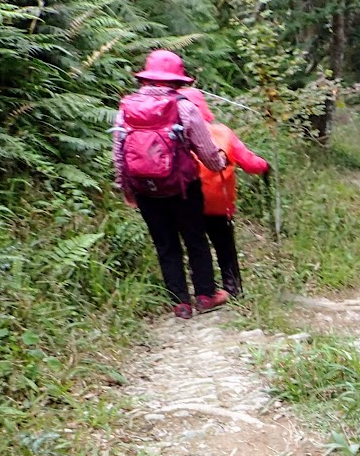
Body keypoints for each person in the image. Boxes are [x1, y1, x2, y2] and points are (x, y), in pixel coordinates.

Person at [113, 50, 228, 319]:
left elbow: (119, 152)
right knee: (195, 239)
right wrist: (220, 163)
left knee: (165, 244)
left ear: (146, 77)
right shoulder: (185, 107)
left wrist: (126, 188)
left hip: (145, 188)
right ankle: (205, 296)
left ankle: (180, 303)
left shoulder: (126, 107)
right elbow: (206, 151)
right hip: (183, 188)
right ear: (177, 80)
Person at [182, 88, 270, 299]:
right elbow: (249, 162)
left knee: (196, 247)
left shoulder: (177, 135)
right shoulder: (223, 133)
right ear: (204, 108)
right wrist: (265, 165)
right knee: (225, 247)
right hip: (220, 204)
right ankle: (233, 288)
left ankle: (204, 291)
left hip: (187, 203)